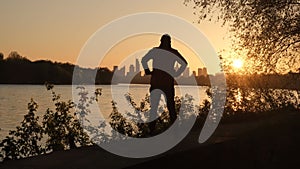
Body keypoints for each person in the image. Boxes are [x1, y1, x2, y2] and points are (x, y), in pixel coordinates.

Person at [141, 34, 187, 133]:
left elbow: (144, 60)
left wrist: (148, 71)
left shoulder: (156, 51)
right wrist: (176, 73)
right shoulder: (172, 52)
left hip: (158, 83)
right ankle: (174, 132)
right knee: (170, 108)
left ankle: (152, 132)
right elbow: (184, 63)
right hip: (164, 83)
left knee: (155, 108)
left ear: (161, 41)